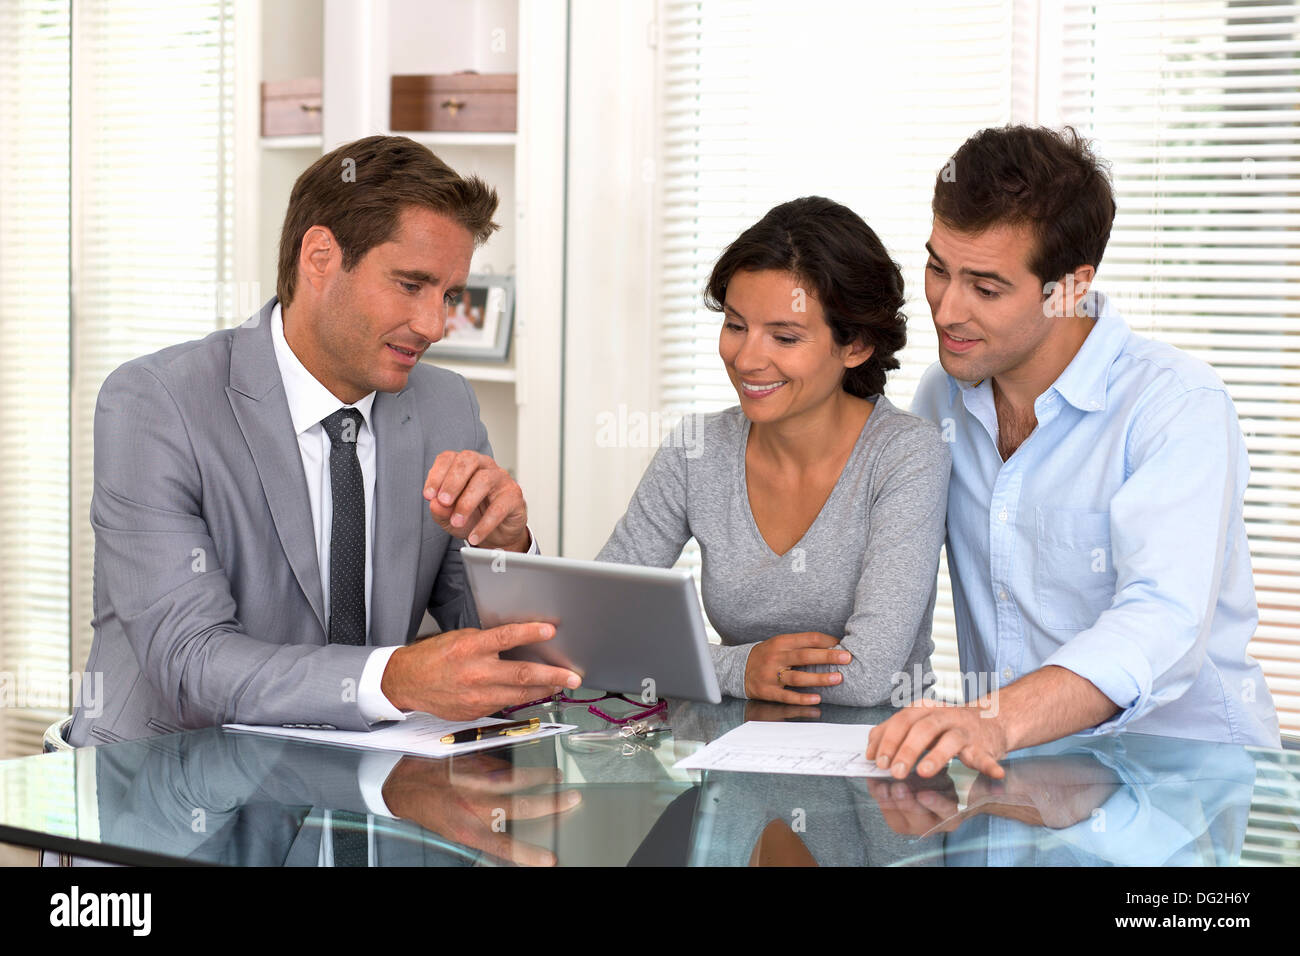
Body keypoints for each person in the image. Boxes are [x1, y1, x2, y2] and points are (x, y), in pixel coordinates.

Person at [68, 135, 580, 746]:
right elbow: (190, 663)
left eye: (449, 296)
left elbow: (496, 654)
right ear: (319, 257)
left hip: (362, 795)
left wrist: (510, 550)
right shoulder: (157, 404)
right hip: (174, 792)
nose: (435, 325)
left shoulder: (447, 406)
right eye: (411, 285)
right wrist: (393, 679)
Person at [866, 126, 1281, 781]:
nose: (947, 309)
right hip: (1020, 782)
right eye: (938, 268)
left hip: (1179, 791)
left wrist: (996, 719)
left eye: (986, 287)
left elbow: (1159, 618)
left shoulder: (1175, 405)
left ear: (1070, 285)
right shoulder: (942, 397)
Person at [597, 197, 950, 706]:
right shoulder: (696, 451)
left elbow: (868, 677)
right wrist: (736, 668)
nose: (746, 358)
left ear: (856, 346)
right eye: (736, 325)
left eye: (784, 337)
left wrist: (704, 665)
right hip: (727, 764)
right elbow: (601, 626)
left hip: (875, 766)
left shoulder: (906, 456)